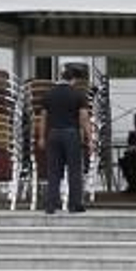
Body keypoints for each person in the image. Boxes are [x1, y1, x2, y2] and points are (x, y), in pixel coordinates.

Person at [37, 64, 91, 214]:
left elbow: (43, 118)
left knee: (53, 171)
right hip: (71, 134)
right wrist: (90, 138)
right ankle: (75, 204)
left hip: (53, 134)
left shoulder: (48, 94)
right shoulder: (78, 94)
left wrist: (41, 137)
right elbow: (84, 118)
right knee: (74, 170)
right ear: (73, 79)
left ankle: (51, 204)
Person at [118, 130, 136, 195]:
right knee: (128, 163)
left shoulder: (132, 151)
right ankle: (133, 185)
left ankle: (132, 185)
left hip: (134, 162)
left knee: (126, 163)